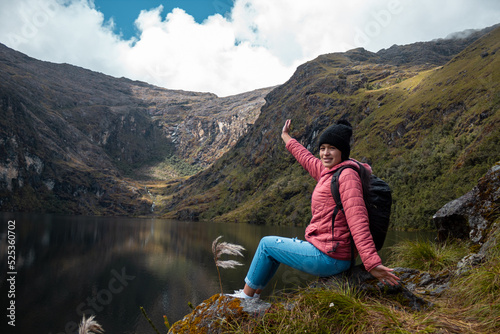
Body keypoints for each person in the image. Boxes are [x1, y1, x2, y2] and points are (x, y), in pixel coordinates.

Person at [230, 119, 400, 299]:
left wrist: (372, 263)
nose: (325, 153)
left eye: (332, 148)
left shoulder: (347, 176)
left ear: (343, 151)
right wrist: (286, 136)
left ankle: (245, 300)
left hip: (331, 258)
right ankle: (254, 295)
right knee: (272, 251)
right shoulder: (330, 172)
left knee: (266, 245)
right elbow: (306, 158)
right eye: (322, 148)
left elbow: (358, 220)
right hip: (331, 252)